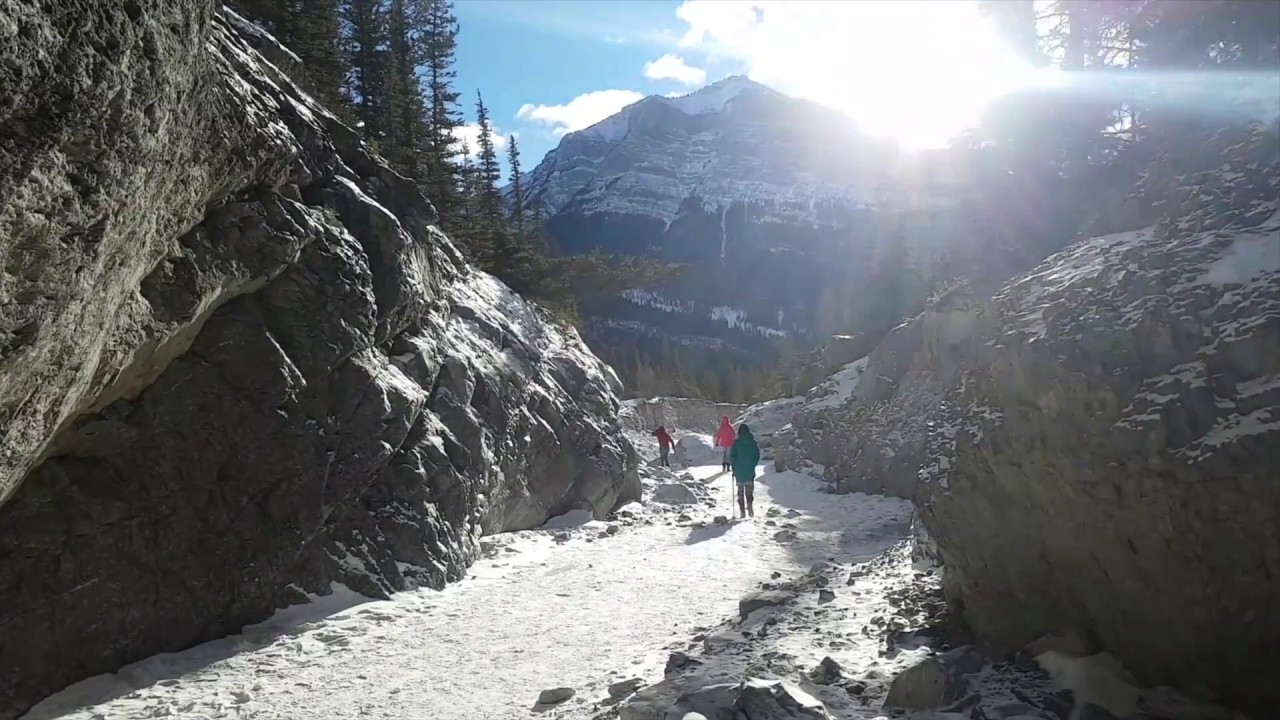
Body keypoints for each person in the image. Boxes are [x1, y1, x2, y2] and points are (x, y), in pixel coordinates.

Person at [729, 423, 760, 517]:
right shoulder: (753, 443)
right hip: (750, 470)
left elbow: (732, 456)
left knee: (740, 491)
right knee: (749, 491)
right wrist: (752, 465)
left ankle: (742, 511)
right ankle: (749, 505)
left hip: (739, 471)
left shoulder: (736, 443)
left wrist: (734, 466)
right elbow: (757, 456)